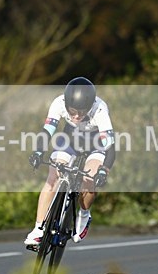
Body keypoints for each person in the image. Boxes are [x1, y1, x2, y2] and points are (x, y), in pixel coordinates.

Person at [24, 77, 115, 248]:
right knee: (53, 176)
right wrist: (38, 152)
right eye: (72, 111)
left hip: (96, 145)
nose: (76, 116)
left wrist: (104, 170)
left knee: (89, 180)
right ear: (66, 104)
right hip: (70, 140)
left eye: (82, 112)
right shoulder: (58, 103)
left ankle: (84, 214)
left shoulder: (100, 110)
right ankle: (38, 229)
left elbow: (110, 148)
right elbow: (47, 132)